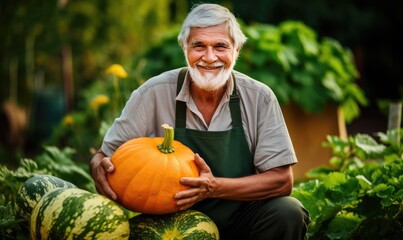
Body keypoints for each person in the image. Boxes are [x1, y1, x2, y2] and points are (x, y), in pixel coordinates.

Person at [90, 3, 310, 239]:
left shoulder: (259, 97)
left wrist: (214, 187)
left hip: (242, 221)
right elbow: (103, 157)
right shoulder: (152, 93)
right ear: (184, 48)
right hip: (169, 224)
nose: (209, 57)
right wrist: (98, 169)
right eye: (198, 46)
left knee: (288, 212)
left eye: (220, 46)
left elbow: (281, 181)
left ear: (236, 50)